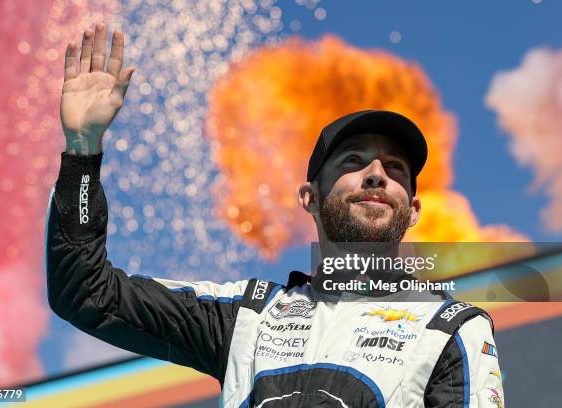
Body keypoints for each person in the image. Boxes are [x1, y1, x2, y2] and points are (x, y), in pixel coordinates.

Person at [47, 23, 505, 407]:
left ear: (414, 210)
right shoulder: (246, 315)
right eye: (352, 161)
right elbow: (86, 292)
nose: (375, 175)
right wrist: (83, 150)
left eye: (395, 169)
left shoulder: (452, 328)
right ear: (309, 197)